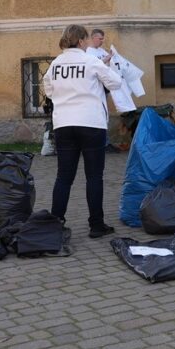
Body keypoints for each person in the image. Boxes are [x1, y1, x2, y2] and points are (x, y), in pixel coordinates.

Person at [43, 24, 123, 238]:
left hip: (64, 124)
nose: (88, 42)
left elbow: (48, 90)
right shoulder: (91, 61)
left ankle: (56, 222)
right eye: (86, 39)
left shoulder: (56, 64)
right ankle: (96, 225)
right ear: (80, 41)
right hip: (91, 122)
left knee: (63, 177)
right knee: (94, 177)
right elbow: (115, 83)